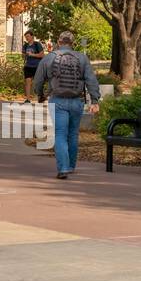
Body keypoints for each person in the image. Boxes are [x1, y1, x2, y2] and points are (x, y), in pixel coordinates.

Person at [33, 31, 100, 179]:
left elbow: (38, 80)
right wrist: (95, 100)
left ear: (58, 41)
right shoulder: (82, 58)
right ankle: (71, 166)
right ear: (72, 43)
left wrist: (40, 94)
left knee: (60, 134)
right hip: (77, 101)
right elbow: (91, 80)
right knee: (73, 134)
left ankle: (63, 168)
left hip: (58, 100)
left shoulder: (49, 58)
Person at [21, 31, 45, 103]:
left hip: (37, 66)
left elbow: (42, 55)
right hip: (28, 66)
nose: (27, 38)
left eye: (28, 36)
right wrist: (24, 55)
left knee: (37, 82)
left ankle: (40, 96)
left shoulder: (37, 44)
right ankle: (28, 99)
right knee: (28, 81)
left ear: (32, 36)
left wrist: (32, 55)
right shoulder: (25, 45)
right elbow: (23, 56)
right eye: (26, 37)